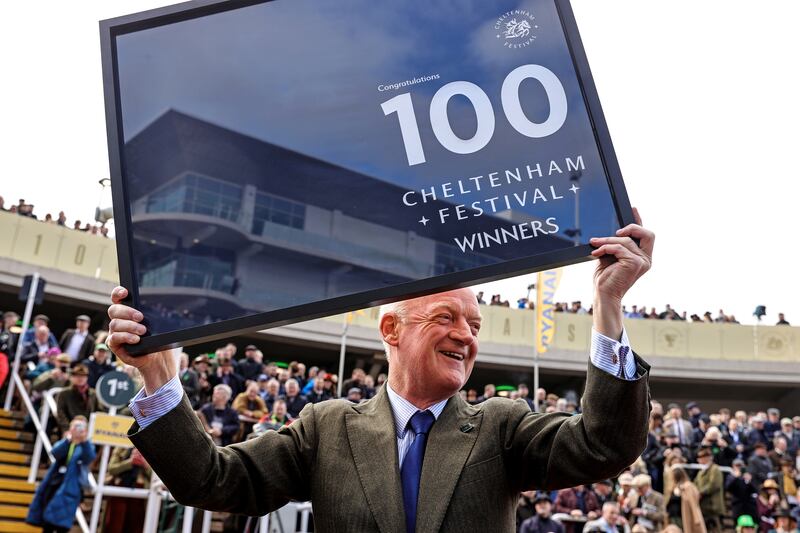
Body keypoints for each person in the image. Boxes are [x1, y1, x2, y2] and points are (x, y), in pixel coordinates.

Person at [106, 213, 654, 531]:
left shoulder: (502, 426)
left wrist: (608, 304)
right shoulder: (325, 427)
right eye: (447, 318)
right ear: (391, 330)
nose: (466, 335)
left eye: (475, 324)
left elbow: (604, 444)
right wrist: (157, 377)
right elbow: (212, 480)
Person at [26, 416, 96, 533]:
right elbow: (55, 453)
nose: (78, 429)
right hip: (54, 484)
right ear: (70, 428)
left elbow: (89, 457)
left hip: (70, 488)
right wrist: (68, 439)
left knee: (62, 526)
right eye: (76, 426)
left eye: (81, 427)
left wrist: (84, 441)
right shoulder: (66, 442)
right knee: (47, 524)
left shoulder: (86, 446)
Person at [694, 448, 725, 533]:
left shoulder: (715, 469)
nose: (699, 460)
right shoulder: (700, 472)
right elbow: (695, 484)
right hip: (703, 507)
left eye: (701, 457)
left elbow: (714, 485)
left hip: (713, 507)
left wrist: (700, 492)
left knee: (716, 529)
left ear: (708, 458)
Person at [667, 467, 706, 533]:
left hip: (688, 515)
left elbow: (693, 502)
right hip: (677, 515)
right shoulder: (676, 487)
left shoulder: (688, 486)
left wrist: (696, 518)